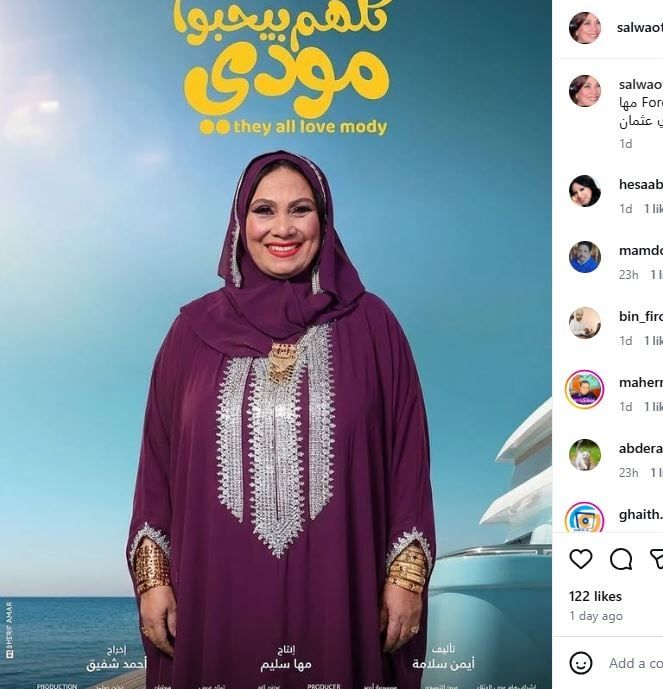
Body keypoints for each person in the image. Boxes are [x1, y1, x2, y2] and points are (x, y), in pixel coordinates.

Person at [125, 150, 436, 688]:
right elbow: (156, 462)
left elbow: (408, 456)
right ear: (239, 222)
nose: (283, 228)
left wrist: (406, 578)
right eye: (264, 210)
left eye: (301, 209)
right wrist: (154, 580)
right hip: (212, 594)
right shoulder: (190, 333)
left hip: (344, 593)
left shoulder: (373, 325)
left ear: (325, 220)